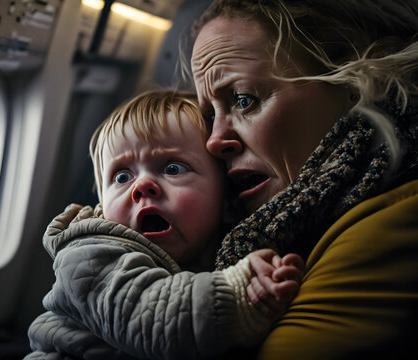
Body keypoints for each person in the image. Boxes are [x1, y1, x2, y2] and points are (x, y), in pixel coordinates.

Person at [189, 0, 418, 358]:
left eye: (244, 99)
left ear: (366, 83)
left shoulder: (397, 221)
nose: (214, 140)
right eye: (208, 116)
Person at [25, 90, 304, 359]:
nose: (142, 185)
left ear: (227, 201)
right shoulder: (92, 254)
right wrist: (238, 296)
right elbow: (151, 317)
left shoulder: (228, 247)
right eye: (122, 177)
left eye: (172, 168)